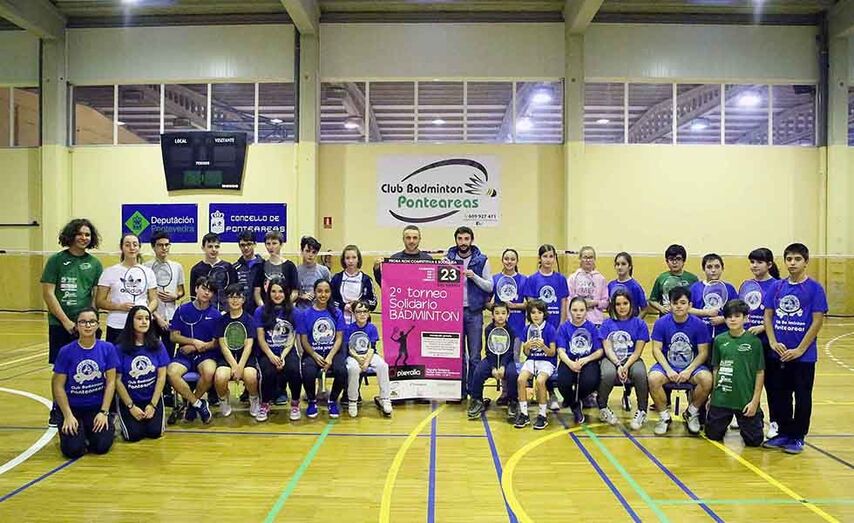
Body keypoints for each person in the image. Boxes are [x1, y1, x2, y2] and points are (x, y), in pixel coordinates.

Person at [761, 243, 827, 455]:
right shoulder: (777, 287)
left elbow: (817, 321)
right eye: (789, 259)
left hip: (803, 357)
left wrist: (799, 349)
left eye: (797, 259)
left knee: (802, 396)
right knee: (779, 395)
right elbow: (768, 316)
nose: (792, 263)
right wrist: (772, 342)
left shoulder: (814, 289)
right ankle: (783, 432)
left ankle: (798, 436)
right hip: (778, 354)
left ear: (806, 262)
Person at [41, 218, 103, 427]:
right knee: (61, 370)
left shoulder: (95, 264)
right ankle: (57, 409)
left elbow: (95, 297)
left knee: (85, 367)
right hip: (60, 325)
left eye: (87, 234)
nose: (84, 238)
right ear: (71, 235)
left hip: (86, 326)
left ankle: (85, 407)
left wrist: (90, 322)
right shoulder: (56, 261)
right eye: (80, 234)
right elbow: (48, 294)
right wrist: (66, 322)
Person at [51, 307, 117, 458]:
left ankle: (97, 428)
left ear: (98, 324)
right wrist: (67, 415)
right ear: (76, 325)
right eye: (83, 322)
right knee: (73, 450)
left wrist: (104, 412)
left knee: (101, 447)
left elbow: (111, 382)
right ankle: (78, 432)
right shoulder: (66, 351)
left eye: (92, 321)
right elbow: (58, 386)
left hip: (96, 407)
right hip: (72, 407)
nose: (88, 325)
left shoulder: (107, 348)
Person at [648, 286, 713, 436]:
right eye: (675, 303)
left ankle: (692, 412)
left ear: (690, 305)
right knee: (653, 379)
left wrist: (689, 370)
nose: (679, 306)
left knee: (707, 379)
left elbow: (703, 353)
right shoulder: (661, 323)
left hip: (691, 367)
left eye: (683, 303)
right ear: (670, 304)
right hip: (668, 366)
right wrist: (668, 370)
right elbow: (656, 349)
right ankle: (664, 416)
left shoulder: (699, 325)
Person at [705, 300, 765, 447]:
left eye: (737, 316)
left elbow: (759, 372)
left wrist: (755, 401)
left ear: (745, 318)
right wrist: (713, 395)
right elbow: (716, 368)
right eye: (729, 316)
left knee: (754, 441)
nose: (732, 320)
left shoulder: (754, 342)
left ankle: (757, 417)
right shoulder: (719, 340)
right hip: (722, 397)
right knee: (712, 435)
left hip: (745, 399)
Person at [446, 226, 493, 397]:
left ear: (472, 240)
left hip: (474, 312)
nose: (463, 242)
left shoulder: (482, 260)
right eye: (460, 239)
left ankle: (474, 392)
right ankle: (459, 391)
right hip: (453, 313)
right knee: (457, 355)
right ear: (456, 240)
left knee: (474, 355)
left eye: (466, 239)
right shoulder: (447, 259)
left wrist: (474, 276)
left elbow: (490, 286)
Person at [166, 277, 220, 424]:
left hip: (206, 355)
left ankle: (191, 404)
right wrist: (193, 342)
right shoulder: (182, 310)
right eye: (204, 288)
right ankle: (198, 404)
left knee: (209, 372)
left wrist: (200, 347)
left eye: (210, 291)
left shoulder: (216, 315)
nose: (206, 293)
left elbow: (216, 343)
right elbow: (173, 336)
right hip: (184, 354)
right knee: (171, 373)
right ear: (196, 289)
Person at [522, 244, 568, 411]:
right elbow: (531, 305)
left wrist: (562, 323)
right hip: (539, 328)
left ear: (555, 258)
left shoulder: (560, 279)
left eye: (551, 256)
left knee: (552, 359)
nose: (548, 260)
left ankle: (553, 393)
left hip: (555, 326)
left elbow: (563, 301)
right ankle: (543, 393)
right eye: (545, 256)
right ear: (539, 258)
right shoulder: (533, 279)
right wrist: (535, 327)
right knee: (539, 358)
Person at [114, 306, 169, 442]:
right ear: (131, 321)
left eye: (147, 319)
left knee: (155, 433)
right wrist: (131, 406)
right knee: (133, 436)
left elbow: (161, 377)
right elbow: (117, 380)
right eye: (139, 318)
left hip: (151, 398)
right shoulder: (120, 348)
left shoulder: (158, 345)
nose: (144, 322)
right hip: (130, 399)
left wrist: (153, 405)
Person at [597, 288, 650, 430]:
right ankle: (603, 407)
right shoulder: (607, 324)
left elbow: (637, 352)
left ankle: (642, 411)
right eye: (618, 304)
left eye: (625, 303)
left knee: (640, 373)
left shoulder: (640, 324)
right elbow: (607, 349)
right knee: (608, 373)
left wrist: (626, 366)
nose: (622, 307)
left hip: (632, 359)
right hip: (612, 359)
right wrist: (618, 364)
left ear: (631, 304)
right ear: (613, 306)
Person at [741, 247, 780, 437]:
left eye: (759, 262)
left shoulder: (778, 286)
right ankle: (746, 416)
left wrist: (763, 327)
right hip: (749, 342)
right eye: (752, 262)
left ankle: (774, 422)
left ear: (769, 264)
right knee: (746, 382)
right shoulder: (746, 285)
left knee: (772, 385)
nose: (754, 265)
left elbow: (780, 315)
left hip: (768, 342)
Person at [143, 230, 185, 406]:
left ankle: (167, 392)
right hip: (151, 320)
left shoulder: (177, 267)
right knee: (151, 355)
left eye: (167, 245)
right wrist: (156, 316)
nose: (164, 248)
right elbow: (143, 297)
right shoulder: (145, 267)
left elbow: (182, 291)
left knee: (168, 356)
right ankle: (151, 391)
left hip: (171, 319)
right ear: (153, 247)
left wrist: (176, 295)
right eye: (160, 245)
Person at [255, 278, 303, 422]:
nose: (277, 295)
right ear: (268, 293)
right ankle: (264, 404)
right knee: (267, 372)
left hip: (286, 350)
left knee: (294, 370)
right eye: (274, 291)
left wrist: (282, 356)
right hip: (267, 351)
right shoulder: (260, 311)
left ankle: (295, 404)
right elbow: (261, 338)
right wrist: (271, 356)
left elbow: (292, 338)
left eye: (281, 291)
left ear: (286, 293)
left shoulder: (294, 312)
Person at [297, 279, 347, 419]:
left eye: (326, 291)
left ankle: (333, 400)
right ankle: (312, 401)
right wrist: (314, 355)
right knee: (308, 372)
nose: (323, 294)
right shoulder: (305, 314)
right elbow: (304, 340)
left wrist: (330, 357)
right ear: (314, 292)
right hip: (313, 352)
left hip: (333, 352)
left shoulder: (337, 313)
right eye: (319, 291)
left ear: (330, 293)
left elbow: (339, 338)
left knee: (342, 371)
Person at [96, 233, 158, 343]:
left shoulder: (148, 272)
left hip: (142, 326)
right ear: (122, 248)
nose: (132, 248)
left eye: (135, 244)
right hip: (117, 325)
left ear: (139, 247)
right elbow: (99, 302)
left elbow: (154, 300)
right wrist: (119, 306)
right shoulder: (109, 272)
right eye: (127, 245)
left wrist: (143, 312)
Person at [487, 248, 527, 405]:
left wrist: (514, 306)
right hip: (499, 329)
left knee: (513, 360)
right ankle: (505, 393)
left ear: (517, 261)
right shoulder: (495, 279)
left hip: (517, 327)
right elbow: (487, 302)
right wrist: (498, 308)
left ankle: (513, 394)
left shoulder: (523, 280)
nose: (509, 262)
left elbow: (529, 304)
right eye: (506, 259)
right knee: (500, 359)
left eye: (512, 259)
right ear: (502, 260)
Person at [213, 284, 260, 418]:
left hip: (246, 358)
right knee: (220, 377)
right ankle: (223, 399)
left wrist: (240, 367)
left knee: (250, 376)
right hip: (227, 359)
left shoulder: (249, 320)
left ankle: (254, 398)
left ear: (243, 300)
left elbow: (249, 345)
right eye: (231, 297)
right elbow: (223, 345)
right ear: (226, 299)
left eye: (238, 297)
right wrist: (234, 366)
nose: (235, 300)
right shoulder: (222, 320)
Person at [467, 302, 519, 420]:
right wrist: (493, 367)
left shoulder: (511, 330)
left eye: (503, 313)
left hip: (507, 360)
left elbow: (510, 352)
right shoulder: (488, 329)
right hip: (491, 359)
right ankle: (477, 400)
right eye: (497, 313)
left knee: (512, 374)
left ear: (508, 315)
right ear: (492, 315)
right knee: (479, 371)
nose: (500, 316)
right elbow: (488, 350)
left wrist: (503, 366)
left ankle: (513, 401)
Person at [556, 298, 604, 424]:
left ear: (586, 311)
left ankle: (577, 399)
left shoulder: (592, 328)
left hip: (588, 360)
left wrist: (586, 359)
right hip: (569, 360)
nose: (578, 313)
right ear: (570, 311)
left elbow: (599, 351)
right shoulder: (564, 328)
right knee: (562, 382)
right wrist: (570, 363)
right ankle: (574, 404)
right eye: (575, 310)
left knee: (590, 381)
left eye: (581, 310)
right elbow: (561, 351)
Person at [513, 300, 557, 430]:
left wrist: (543, 347)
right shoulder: (527, 329)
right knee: (521, 379)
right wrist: (526, 346)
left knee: (540, 381)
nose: (536, 315)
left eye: (539, 312)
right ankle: (524, 414)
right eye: (533, 312)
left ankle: (542, 415)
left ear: (544, 314)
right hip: (532, 360)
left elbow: (552, 353)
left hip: (547, 361)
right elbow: (526, 353)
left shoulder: (550, 329)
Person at [344, 301, 393, 417]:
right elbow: (349, 348)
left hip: (369, 355)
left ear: (369, 313)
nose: (362, 314)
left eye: (365, 311)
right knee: (353, 368)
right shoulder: (349, 328)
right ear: (353, 313)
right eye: (358, 312)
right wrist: (357, 358)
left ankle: (385, 398)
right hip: (353, 356)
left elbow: (372, 348)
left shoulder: (372, 328)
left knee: (383, 366)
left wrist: (366, 362)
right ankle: (352, 400)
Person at [688, 254, 738, 340]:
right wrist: (706, 312)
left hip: (724, 335)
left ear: (722, 268)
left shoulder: (729, 288)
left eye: (717, 267)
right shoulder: (695, 288)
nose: (713, 270)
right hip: (700, 335)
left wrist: (723, 319)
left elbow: (737, 311)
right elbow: (688, 309)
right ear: (703, 269)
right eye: (709, 267)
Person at [189, 232, 237, 312]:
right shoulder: (196, 269)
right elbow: (193, 296)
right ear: (203, 248)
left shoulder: (229, 267)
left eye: (216, 246)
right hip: (204, 312)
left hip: (225, 312)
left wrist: (227, 310)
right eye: (210, 246)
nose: (214, 250)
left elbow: (234, 292)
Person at [330, 244, 377, 324]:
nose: (351, 261)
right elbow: (330, 300)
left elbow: (373, 303)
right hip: (339, 322)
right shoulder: (336, 278)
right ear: (343, 260)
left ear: (358, 259)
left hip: (361, 323)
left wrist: (359, 305)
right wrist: (343, 306)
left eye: (354, 257)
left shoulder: (366, 280)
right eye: (347, 258)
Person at [253, 230, 299, 309]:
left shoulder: (290, 266)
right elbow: (257, 292)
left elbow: (295, 292)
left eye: (274, 243)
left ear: (281, 244)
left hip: (285, 310)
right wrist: (263, 308)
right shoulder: (261, 266)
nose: (271, 247)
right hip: (267, 310)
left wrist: (285, 305)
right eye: (268, 244)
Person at [649, 244, 699, 316]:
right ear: (667, 261)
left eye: (678, 259)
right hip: (666, 317)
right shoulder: (661, 278)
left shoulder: (692, 279)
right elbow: (652, 300)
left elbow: (696, 301)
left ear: (683, 261)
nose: (674, 262)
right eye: (671, 259)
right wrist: (661, 308)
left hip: (687, 317)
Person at [566, 246, 609, 326]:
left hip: (596, 321)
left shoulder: (601, 279)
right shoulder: (573, 278)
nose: (588, 260)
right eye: (585, 257)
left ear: (594, 259)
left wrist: (595, 303)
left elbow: (606, 302)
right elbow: (569, 300)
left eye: (591, 257)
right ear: (580, 259)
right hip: (577, 321)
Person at [233, 231, 264, 314]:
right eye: (242, 245)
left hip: (261, 311)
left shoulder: (264, 265)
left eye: (249, 244)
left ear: (255, 244)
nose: (246, 248)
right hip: (241, 312)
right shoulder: (234, 268)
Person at [296, 236, 332, 308]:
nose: (310, 255)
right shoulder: (296, 271)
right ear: (302, 251)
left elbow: (330, 291)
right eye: (307, 251)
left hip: (319, 309)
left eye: (314, 252)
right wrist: (301, 296)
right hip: (301, 310)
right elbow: (291, 293)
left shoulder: (324, 271)